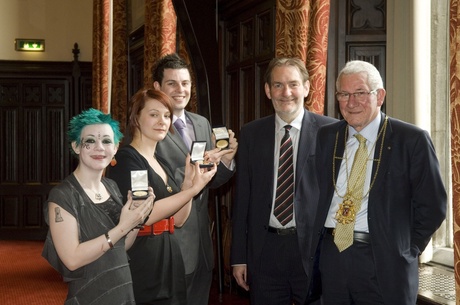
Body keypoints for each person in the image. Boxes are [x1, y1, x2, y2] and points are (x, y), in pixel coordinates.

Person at [312, 60, 447, 304]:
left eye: (360, 93)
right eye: (344, 94)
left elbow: (433, 206)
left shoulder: (411, 140)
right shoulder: (327, 136)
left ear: (380, 95)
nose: (351, 102)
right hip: (333, 259)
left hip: (383, 260)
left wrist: (405, 250)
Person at [230, 57, 338, 304]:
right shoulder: (251, 133)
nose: (286, 92)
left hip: (313, 252)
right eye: (277, 85)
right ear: (268, 91)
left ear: (307, 88)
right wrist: (239, 257)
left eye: (293, 84)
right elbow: (242, 199)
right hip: (264, 251)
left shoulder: (330, 132)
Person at [106, 88, 217, 305]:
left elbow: (179, 219)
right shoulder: (129, 159)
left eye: (167, 116)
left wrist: (188, 182)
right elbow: (142, 215)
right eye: (154, 114)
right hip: (143, 255)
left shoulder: (161, 162)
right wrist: (192, 191)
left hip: (169, 254)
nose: (162, 121)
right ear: (136, 117)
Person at [41, 108, 155, 305]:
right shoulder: (62, 196)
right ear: (76, 146)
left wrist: (136, 218)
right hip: (90, 295)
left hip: (123, 291)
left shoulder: (111, 187)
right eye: (90, 141)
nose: (99, 148)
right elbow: (72, 259)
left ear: (116, 147)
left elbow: (121, 245)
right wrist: (122, 226)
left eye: (106, 141)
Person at [152, 53, 238, 305]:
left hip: (202, 243)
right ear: (157, 87)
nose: (181, 90)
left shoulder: (201, 123)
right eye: (172, 83)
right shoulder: (150, 127)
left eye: (186, 83)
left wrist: (225, 161)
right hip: (170, 242)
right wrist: (193, 171)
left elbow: (211, 184)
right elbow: (157, 185)